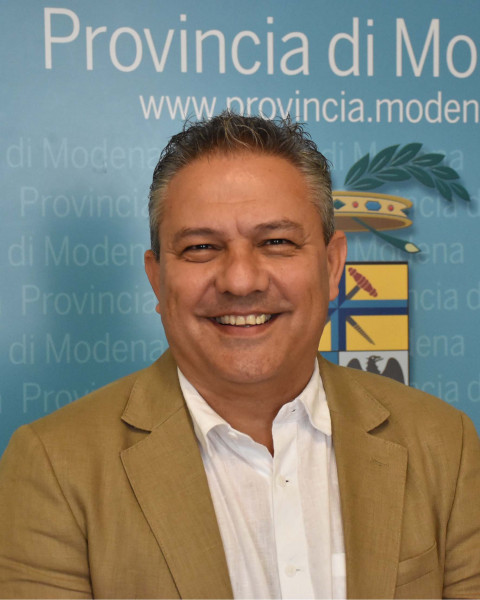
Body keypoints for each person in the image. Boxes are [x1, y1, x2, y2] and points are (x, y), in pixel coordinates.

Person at [0, 113, 479, 600]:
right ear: (157, 279)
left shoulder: (445, 444)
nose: (240, 280)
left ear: (333, 265)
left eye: (276, 242)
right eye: (201, 247)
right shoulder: (55, 467)